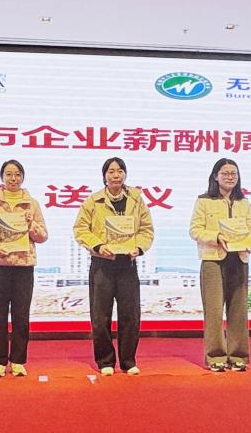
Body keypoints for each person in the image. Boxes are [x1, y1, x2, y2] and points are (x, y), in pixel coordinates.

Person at [73, 157, 154, 376]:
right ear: (104, 176)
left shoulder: (136, 200)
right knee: (100, 316)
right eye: (111, 171)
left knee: (130, 315)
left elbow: (146, 229)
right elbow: (81, 229)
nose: (115, 175)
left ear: (125, 174)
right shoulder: (93, 201)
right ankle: (105, 361)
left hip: (127, 264)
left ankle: (128, 361)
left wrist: (139, 247)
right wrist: (98, 246)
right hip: (102, 264)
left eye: (119, 171)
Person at [0, 160, 48, 378]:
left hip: (23, 267)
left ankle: (18, 361)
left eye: (17, 174)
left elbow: (43, 236)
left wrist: (31, 224)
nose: (13, 178)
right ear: (2, 177)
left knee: (21, 316)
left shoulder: (32, 204)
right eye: (8, 174)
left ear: (22, 177)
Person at [189, 159, 251, 372]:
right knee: (214, 311)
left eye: (233, 173)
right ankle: (216, 356)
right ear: (215, 176)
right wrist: (215, 236)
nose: (230, 177)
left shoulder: (243, 202)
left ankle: (238, 356)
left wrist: (248, 243)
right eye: (225, 173)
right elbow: (195, 230)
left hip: (239, 259)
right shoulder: (204, 201)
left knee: (238, 311)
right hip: (213, 259)